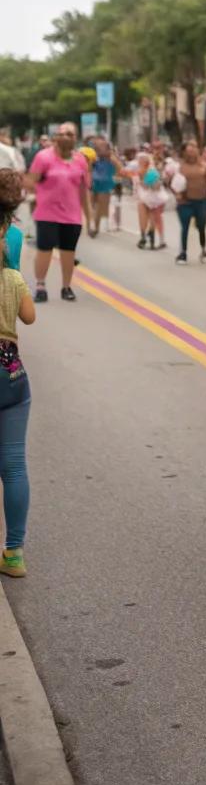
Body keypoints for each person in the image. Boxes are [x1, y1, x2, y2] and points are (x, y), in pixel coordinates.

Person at [0, 171, 35, 577]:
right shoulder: (14, 241)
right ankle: (14, 553)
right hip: (9, 369)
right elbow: (27, 313)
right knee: (13, 464)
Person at [25, 122, 91, 303]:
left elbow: (84, 191)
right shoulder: (43, 157)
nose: (65, 137)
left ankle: (66, 287)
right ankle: (40, 286)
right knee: (44, 250)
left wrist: (89, 219)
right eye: (61, 134)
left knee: (68, 252)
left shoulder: (80, 160)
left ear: (75, 138)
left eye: (69, 134)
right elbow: (31, 182)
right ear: (55, 137)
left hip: (72, 215)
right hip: (47, 213)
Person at [174, 141, 206, 264]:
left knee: (201, 226)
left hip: (201, 201)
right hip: (185, 202)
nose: (191, 152)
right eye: (189, 150)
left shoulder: (205, 166)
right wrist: (177, 193)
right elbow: (172, 183)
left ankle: (203, 249)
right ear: (185, 152)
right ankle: (183, 253)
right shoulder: (179, 166)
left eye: (194, 149)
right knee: (184, 227)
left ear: (198, 151)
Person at [87, 138, 121, 237]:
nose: (100, 148)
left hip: (106, 184)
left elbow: (119, 168)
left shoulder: (111, 157)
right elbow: (88, 169)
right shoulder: (94, 157)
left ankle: (95, 228)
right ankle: (90, 225)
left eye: (102, 146)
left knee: (99, 207)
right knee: (91, 205)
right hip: (94, 182)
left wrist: (116, 177)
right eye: (98, 146)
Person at [134, 153, 168, 250]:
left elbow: (155, 186)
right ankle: (146, 237)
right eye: (140, 160)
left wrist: (147, 184)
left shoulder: (150, 171)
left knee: (151, 216)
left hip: (151, 196)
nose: (140, 162)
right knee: (146, 216)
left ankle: (148, 238)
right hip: (148, 197)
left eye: (142, 160)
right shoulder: (143, 171)